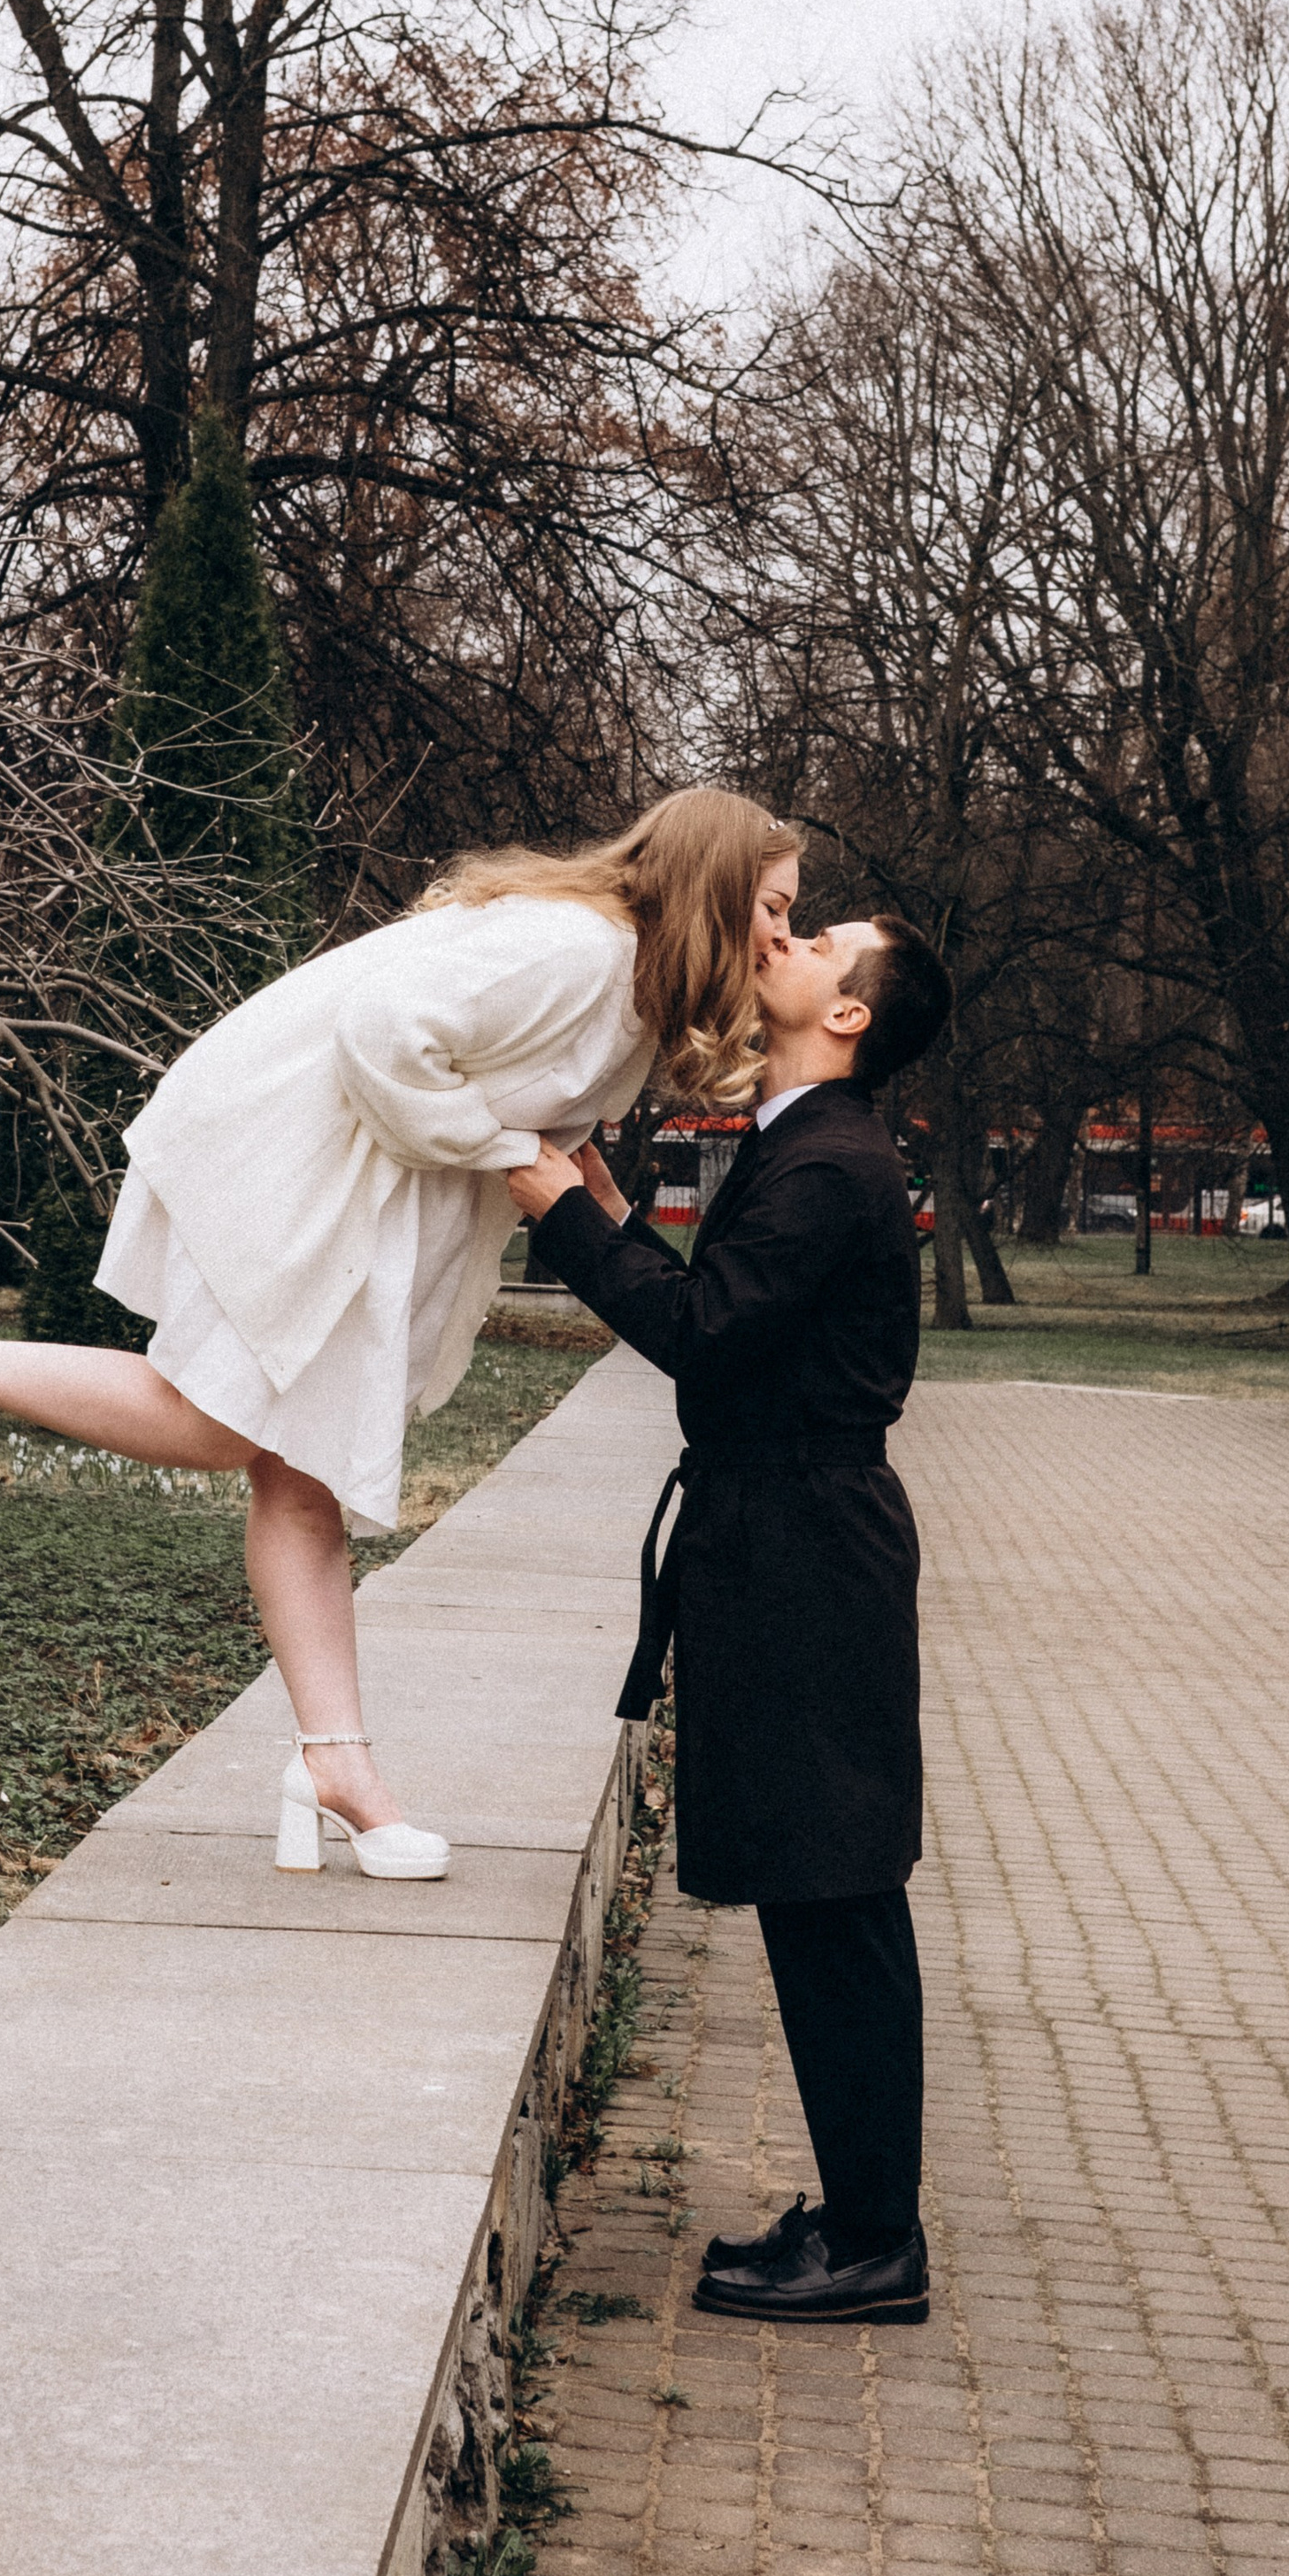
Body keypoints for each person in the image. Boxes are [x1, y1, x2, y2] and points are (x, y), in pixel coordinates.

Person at [0, 789, 804, 1880]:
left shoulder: (625, 983)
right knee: (218, 1427)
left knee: (297, 1474)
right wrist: (496, 1142)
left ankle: (337, 1771)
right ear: (712, 891)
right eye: (773, 909)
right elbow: (388, 1035)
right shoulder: (581, 952)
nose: (783, 939)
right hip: (304, 1169)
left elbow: (543, 1125)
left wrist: (586, 1203)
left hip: (356, 1193)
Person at [507, 909, 952, 2326]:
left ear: (852, 1012)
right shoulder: (805, 1135)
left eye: (824, 940)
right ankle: (867, 2213)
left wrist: (561, 1213)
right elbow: (729, 1305)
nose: (793, 938)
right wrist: (608, 1202)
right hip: (790, 1534)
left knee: (839, 1895)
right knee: (828, 1892)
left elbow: (703, 1337)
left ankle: (879, 2241)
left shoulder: (833, 1157)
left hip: (809, 1546)